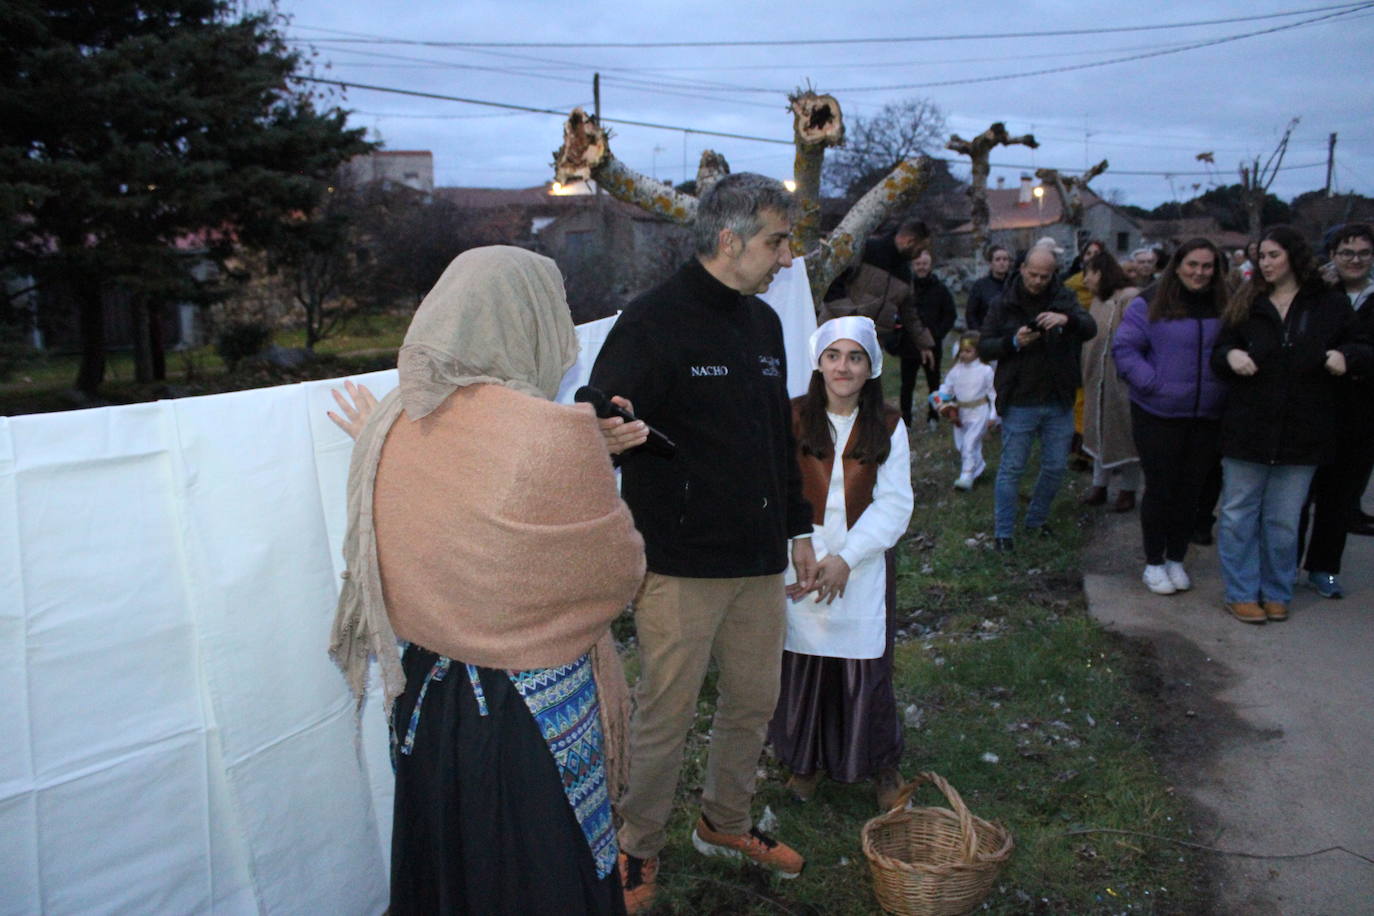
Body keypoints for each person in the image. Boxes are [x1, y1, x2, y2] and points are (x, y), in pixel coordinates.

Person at [327, 246, 647, 915]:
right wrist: (591, 456)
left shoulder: (395, 422)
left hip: (429, 709)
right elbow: (618, 573)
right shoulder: (553, 436)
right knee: (535, 880)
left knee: (450, 874)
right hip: (527, 725)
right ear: (530, 318)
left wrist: (591, 449)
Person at [589, 173, 817, 913]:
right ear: (730, 240)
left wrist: (798, 527)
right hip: (682, 563)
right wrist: (608, 425)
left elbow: (776, 443)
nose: (787, 256)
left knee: (754, 701)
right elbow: (603, 407)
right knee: (669, 713)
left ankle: (725, 822)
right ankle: (637, 846)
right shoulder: (652, 322)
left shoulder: (763, 325)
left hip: (757, 559)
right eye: (777, 240)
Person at [767, 316, 914, 812]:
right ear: (819, 362)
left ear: (871, 366)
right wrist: (800, 540)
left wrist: (847, 558)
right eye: (834, 356)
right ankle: (804, 761)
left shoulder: (889, 425)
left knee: (864, 666)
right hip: (801, 559)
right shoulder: (791, 418)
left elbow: (895, 503)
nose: (843, 367)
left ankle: (878, 762)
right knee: (805, 663)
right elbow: (779, 487)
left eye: (855, 357)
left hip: (862, 564)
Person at [1210, 226, 1370, 624]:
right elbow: (1220, 349)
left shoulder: (1328, 305)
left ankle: (1276, 589)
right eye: (1261, 256)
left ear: (1294, 257)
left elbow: (1365, 347)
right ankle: (1241, 591)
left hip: (1304, 430)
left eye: (1273, 255)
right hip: (1248, 429)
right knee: (1237, 514)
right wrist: (1230, 357)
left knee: (1283, 519)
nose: (1265, 263)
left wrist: (1347, 356)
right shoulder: (1247, 302)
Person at [1112, 239, 1229, 596]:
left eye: (1207, 266)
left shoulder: (1224, 303)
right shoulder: (1150, 302)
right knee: (1161, 489)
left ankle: (1177, 558)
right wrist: (1152, 383)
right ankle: (1154, 562)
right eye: (1193, 264)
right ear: (1177, 265)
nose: (1199, 272)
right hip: (1158, 412)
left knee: (1191, 492)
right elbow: (1125, 348)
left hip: (1206, 414)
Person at [979, 246, 1097, 552]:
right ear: (1022, 269)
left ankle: (1036, 520)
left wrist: (1065, 320)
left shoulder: (1064, 297)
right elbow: (985, 347)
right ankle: (1003, 533)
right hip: (1019, 396)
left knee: (1056, 466)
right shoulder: (1003, 302)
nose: (1038, 281)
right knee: (1012, 467)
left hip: (1059, 396)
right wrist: (1014, 341)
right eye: (1033, 274)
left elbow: (1089, 328)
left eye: (1045, 276)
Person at [1298, 223, 1374, 594]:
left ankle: (1324, 569)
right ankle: (1283, 566)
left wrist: (1352, 359)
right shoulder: (1317, 296)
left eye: (1363, 253)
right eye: (1347, 252)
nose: (1355, 260)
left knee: (1339, 500)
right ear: (1332, 256)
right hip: (1316, 408)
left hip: (1361, 415)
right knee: (1296, 495)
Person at [821, 219, 935, 425]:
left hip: (869, 345)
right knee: (829, 395)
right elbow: (832, 282)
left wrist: (924, 343)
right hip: (837, 336)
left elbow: (910, 312)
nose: (921, 255)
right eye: (921, 249)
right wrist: (851, 318)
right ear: (909, 240)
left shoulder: (904, 272)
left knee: (861, 401)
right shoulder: (866, 250)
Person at [1079, 251, 1142, 513]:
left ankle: (1128, 489)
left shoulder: (1129, 299)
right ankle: (1099, 485)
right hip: (1098, 380)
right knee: (1098, 431)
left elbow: (1137, 339)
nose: (1085, 280)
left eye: (1089, 273)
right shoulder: (1098, 301)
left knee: (1124, 434)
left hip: (1121, 381)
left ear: (1102, 273)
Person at [932, 331, 997, 490]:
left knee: (969, 444)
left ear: (978, 351)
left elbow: (993, 394)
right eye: (961, 350)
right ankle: (978, 468)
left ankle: (966, 477)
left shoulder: (985, 371)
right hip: (961, 413)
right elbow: (946, 390)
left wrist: (993, 415)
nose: (964, 354)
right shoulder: (955, 372)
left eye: (968, 351)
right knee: (962, 445)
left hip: (979, 412)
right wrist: (940, 401)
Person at [909, 248, 956, 430]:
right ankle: (906, 420)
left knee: (933, 382)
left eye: (924, 264)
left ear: (930, 265)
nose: (921, 267)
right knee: (908, 384)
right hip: (910, 344)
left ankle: (934, 415)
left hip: (933, 344)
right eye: (918, 264)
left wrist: (936, 335)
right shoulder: (907, 288)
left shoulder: (941, 289)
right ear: (913, 265)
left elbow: (950, 315)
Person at [965, 245, 1012, 335]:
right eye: (998, 259)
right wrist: (979, 334)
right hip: (987, 336)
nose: (1002, 263)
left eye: (1005, 259)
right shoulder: (980, 286)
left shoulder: (1014, 284)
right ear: (990, 263)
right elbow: (971, 314)